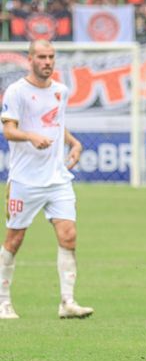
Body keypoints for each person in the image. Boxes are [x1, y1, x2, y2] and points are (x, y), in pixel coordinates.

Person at [0, 40, 93, 320]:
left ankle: (67, 302)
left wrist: (74, 143)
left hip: (57, 178)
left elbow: (56, 123)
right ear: (30, 59)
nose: (47, 61)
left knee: (69, 235)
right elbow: (8, 130)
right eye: (41, 56)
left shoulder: (60, 91)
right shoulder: (16, 91)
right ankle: (3, 301)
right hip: (24, 180)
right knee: (14, 239)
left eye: (51, 56)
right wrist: (31, 136)